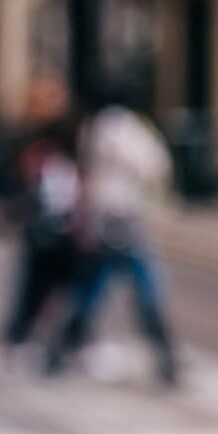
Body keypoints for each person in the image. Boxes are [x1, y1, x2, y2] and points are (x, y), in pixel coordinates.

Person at [44, 91, 180, 386]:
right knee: (132, 290)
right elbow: (155, 165)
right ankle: (166, 359)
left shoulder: (99, 129)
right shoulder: (123, 128)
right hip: (121, 221)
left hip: (111, 221)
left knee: (93, 291)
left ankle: (58, 352)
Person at [0, 80, 82, 357]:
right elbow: (8, 176)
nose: (53, 105)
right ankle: (18, 339)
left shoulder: (69, 134)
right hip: (39, 223)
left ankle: (67, 342)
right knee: (34, 285)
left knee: (71, 287)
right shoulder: (26, 138)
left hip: (67, 222)